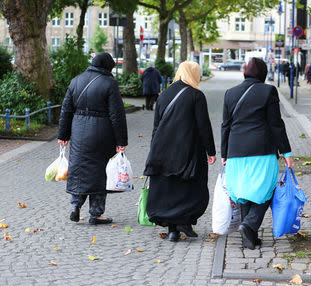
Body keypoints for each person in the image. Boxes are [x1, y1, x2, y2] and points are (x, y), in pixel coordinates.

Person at [221, 57, 293, 250]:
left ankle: (249, 239)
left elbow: (225, 126)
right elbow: (276, 124)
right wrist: (286, 152)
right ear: (263, 74)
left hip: (235, 151)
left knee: (244, 192)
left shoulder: (230, 93)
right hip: (262, 151)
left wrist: (224, 153)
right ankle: (250, 224)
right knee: (267, 190)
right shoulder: (268, 91)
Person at [143, 61, 216, 242]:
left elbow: (156, 127)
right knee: (188, 188)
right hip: (189, 151)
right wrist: (211, 150)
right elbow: (203, 126)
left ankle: (173, 229)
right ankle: (184, 221)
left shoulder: (164, 95)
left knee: (168, 189)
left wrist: (154, 150)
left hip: (163, 151)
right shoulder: (196, 95)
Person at [57, 52, 128, 225]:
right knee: (100, 173)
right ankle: (96, 214)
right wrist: (121, 141)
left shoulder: (76, 81)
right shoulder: (110, 83)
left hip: (79, 130)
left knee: (79, 169)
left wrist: (63, 135)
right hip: (102, 132)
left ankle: (75, 206)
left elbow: (66, 110)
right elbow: (117, 115)